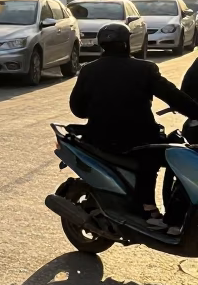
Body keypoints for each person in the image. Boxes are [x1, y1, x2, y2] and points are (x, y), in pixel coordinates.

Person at [69, 21, 198, 229]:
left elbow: (78, 109)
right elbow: (174, 96)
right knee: (171, 155)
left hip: (99, 139)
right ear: (127, 43)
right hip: (138, 141)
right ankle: (148, 206)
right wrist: (195, 111)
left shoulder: (88, 71)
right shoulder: (145, 69)